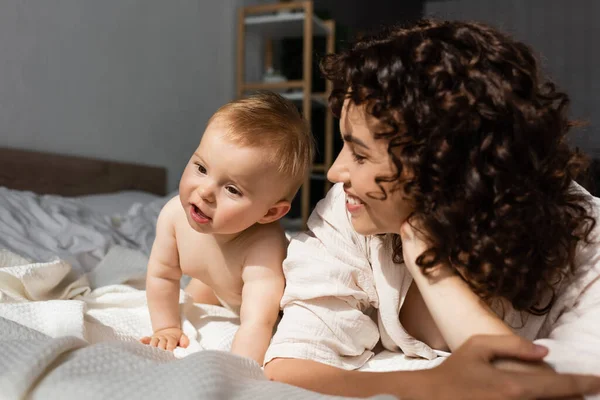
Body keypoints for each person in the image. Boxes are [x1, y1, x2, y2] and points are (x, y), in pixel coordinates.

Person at [264, 20, 600, 399]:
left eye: (359, 154)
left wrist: (430, 262)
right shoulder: (348, 210)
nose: (336, 172)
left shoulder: (587, 244)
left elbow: (556, 388)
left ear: (443, 167)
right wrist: (429, 384)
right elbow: (290, 366)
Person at [140, 91, 313, 365]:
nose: (205, 191)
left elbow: (257, 323)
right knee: (197, 296)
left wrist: (236, 375)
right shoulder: (173, 215)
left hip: (272, 306)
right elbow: (162, 276)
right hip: (224, 287)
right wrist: (166, 327)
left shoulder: (264, 249)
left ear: (269, 213)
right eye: (201, 168)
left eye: (232, 189)